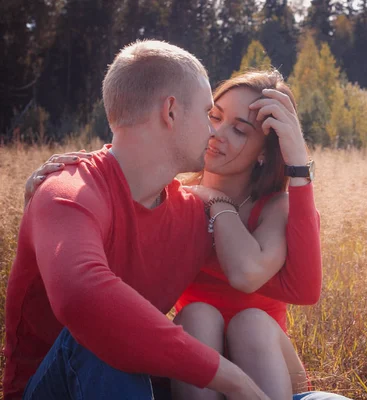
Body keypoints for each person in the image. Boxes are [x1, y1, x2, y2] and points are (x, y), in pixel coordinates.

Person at [4, 40, 343, 400]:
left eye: (237, 128)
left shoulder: (193, 213)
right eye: (209, 115)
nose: (215, 134)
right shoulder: (68, 190)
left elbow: (294, 287)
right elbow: (82, 300)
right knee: (104, 333)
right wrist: (231, 379)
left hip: (159, 380)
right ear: (170, 112)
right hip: (57, 384)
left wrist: (282, 174)